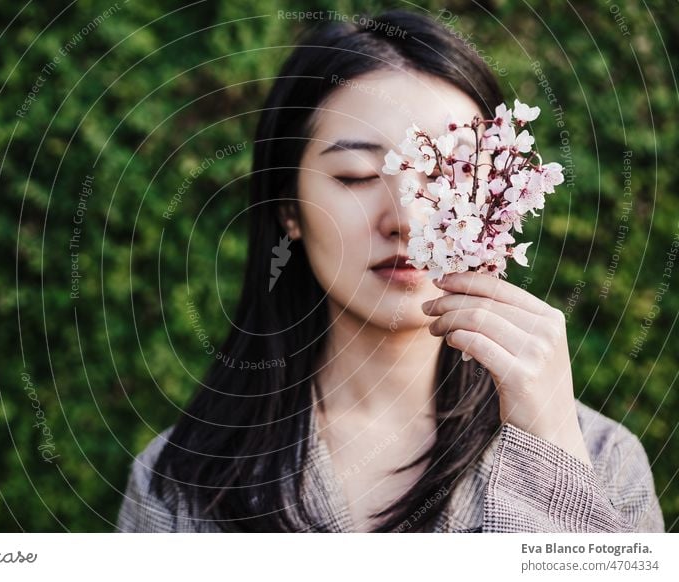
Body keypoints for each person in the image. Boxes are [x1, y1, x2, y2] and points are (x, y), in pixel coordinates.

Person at [116, 9, 663, 533]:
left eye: (450, 171)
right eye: (355, 175)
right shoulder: (179, 481)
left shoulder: (598, 460)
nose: (405, 218)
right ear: (290, 209)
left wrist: (550, 459)